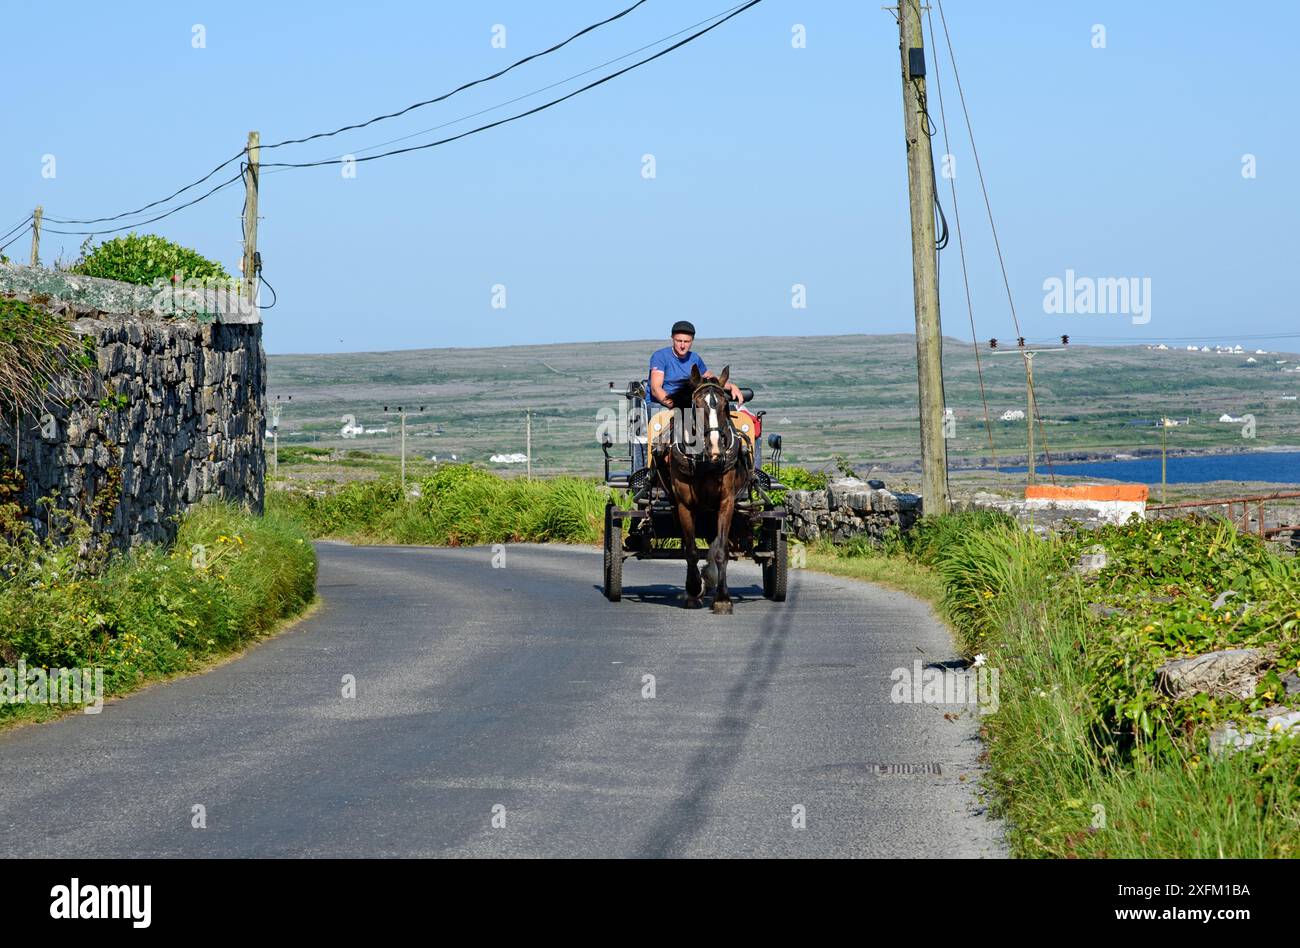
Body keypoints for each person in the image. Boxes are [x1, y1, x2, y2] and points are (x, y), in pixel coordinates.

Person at [632, 321, 756, 476]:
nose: (682, 345)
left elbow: (709, 378)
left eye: (686, 341)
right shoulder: (660, 357)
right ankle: (653, 473)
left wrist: (731, 386)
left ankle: (739, 468)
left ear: (692, 341)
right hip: (663, 403)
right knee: (661, 430)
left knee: (718, 421)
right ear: (672, 338)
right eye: (679, 341)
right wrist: (676, 406)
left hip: (688, 404)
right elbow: (657, 389)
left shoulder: (695, 358)